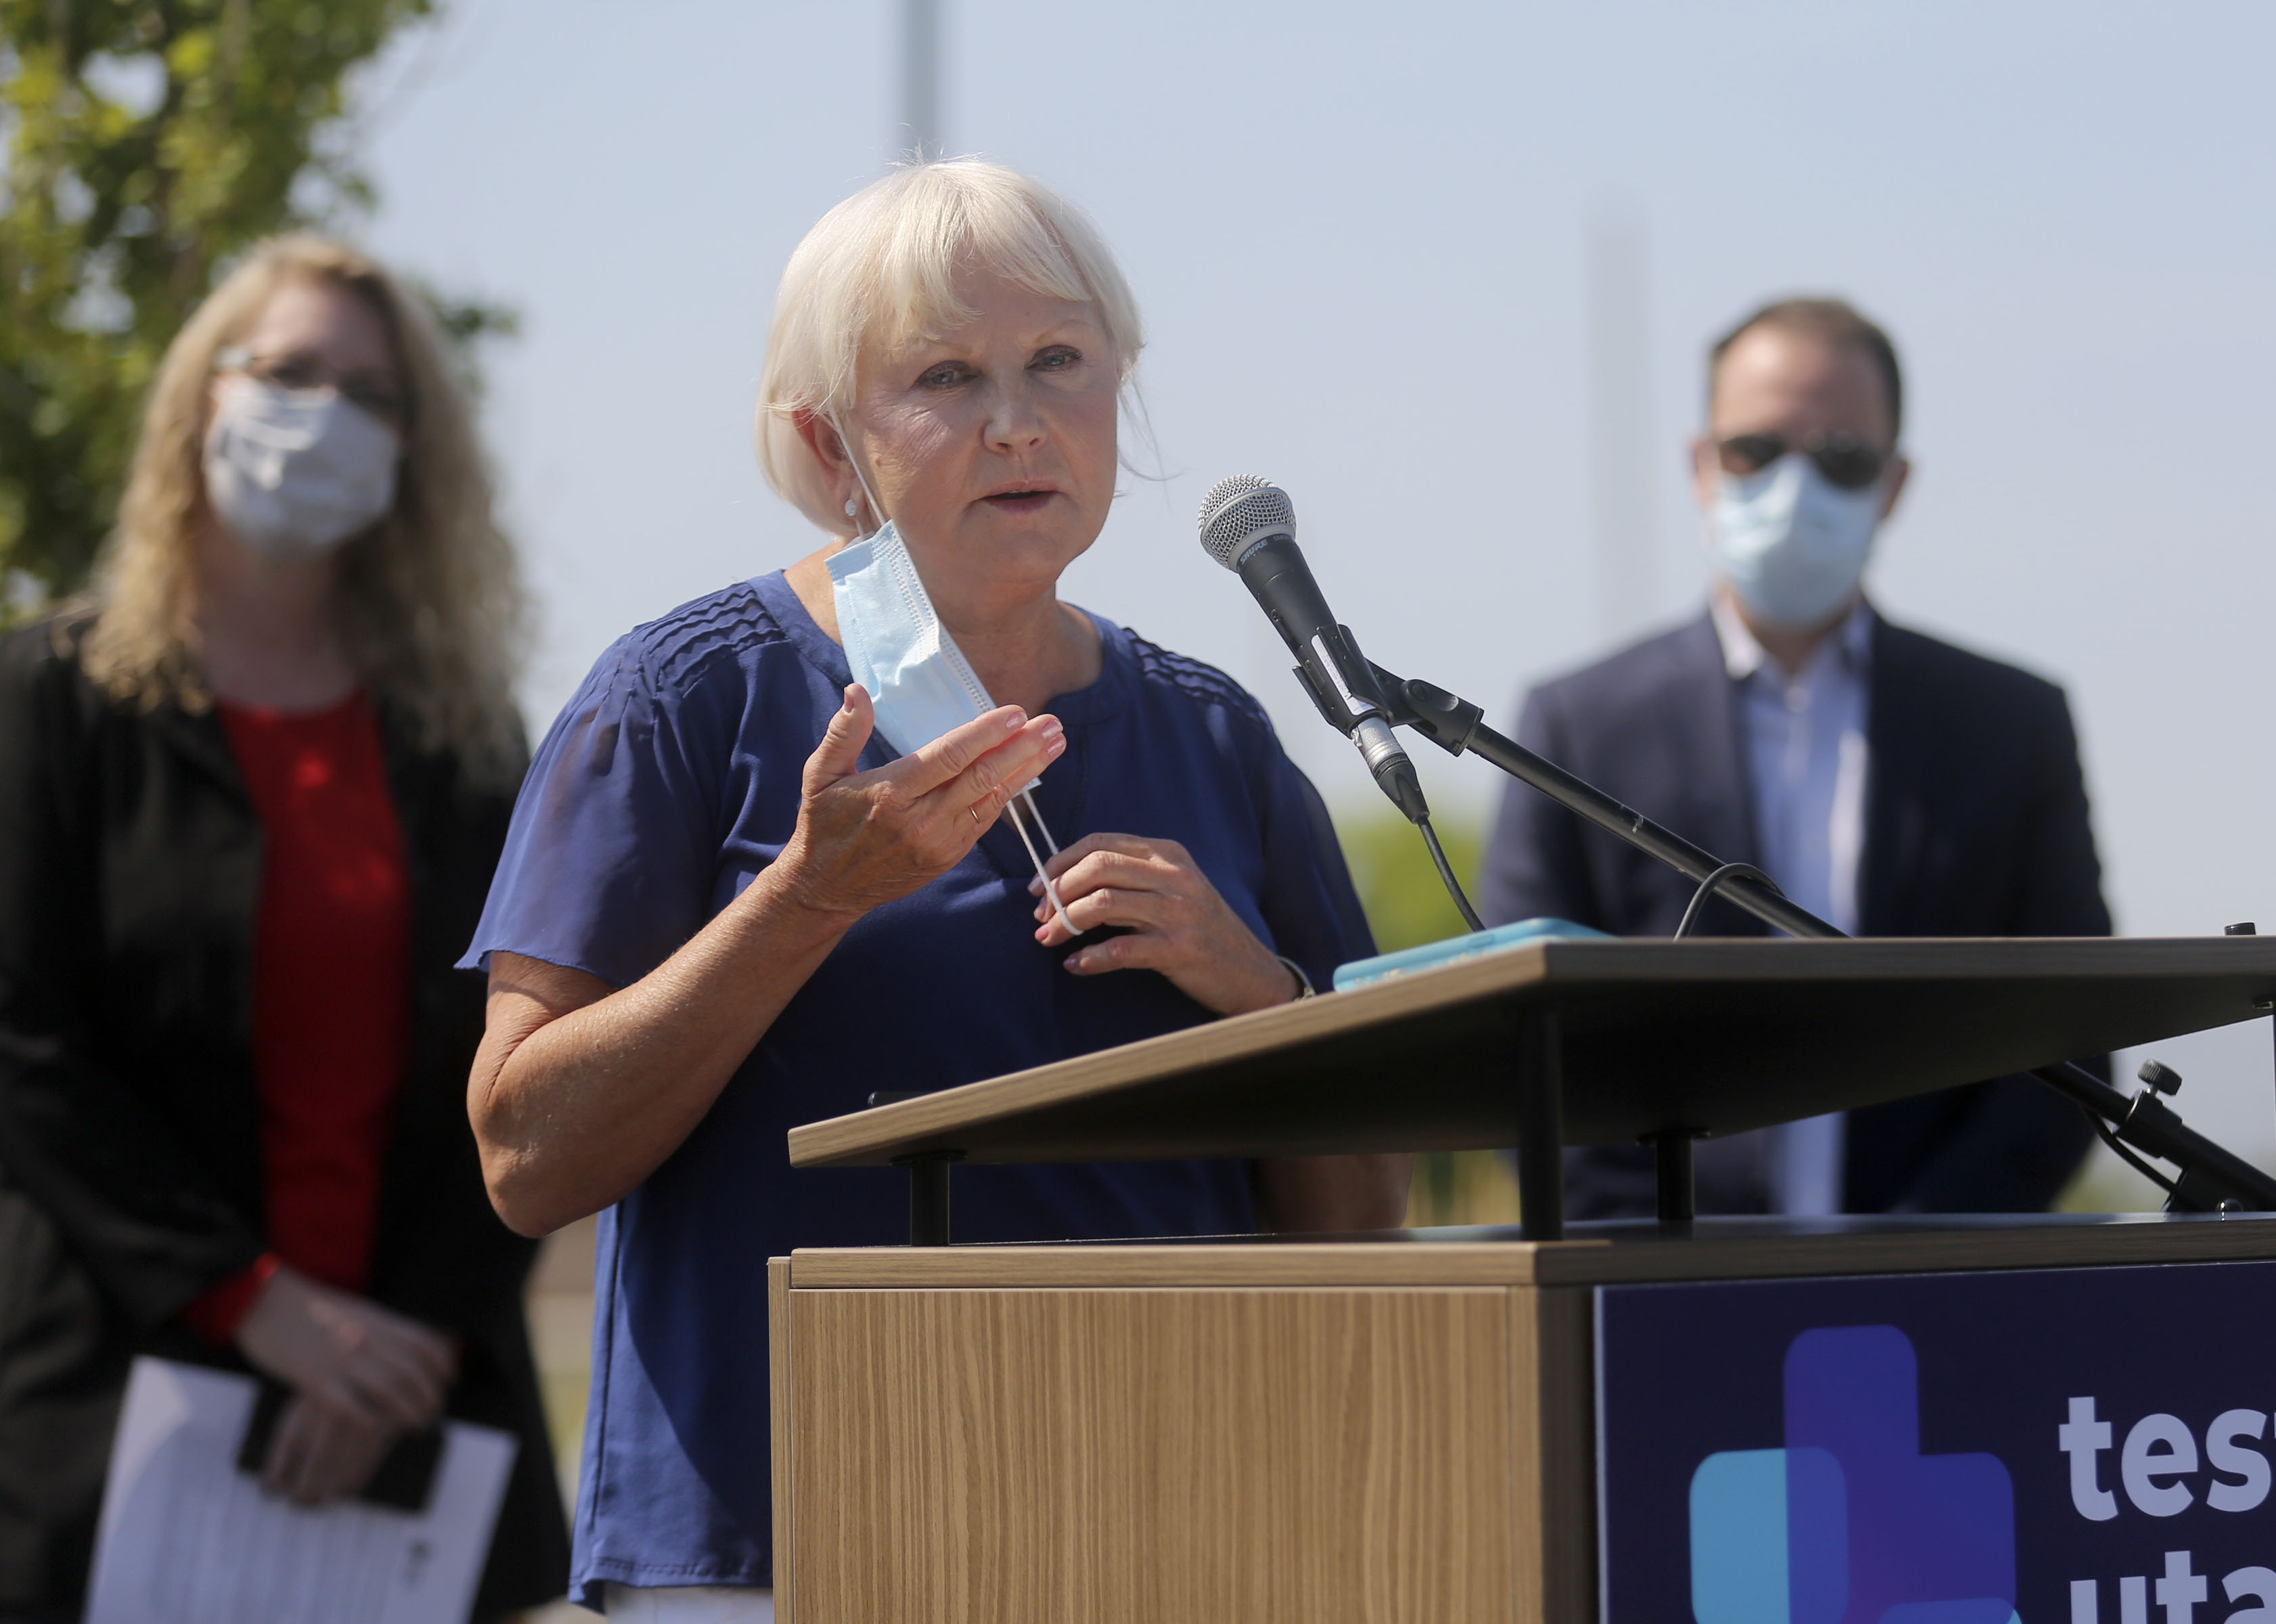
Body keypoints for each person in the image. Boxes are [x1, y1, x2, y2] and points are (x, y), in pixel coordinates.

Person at [462, 158, 1402, 1619]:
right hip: (782, 1547)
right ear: (828, 443)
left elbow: (1356, 1227)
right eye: (945, 376)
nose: (1016, 420)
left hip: (1162, 1529)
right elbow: (524, 1159)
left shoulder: (1215, 732)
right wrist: (800, 905)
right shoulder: (681, 702)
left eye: (1057, 364)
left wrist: (1259, 995)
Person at [0, 238, 566, 1620]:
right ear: (204, 396)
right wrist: (252, 1303)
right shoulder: (50, 701)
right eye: (292, 371)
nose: (325, 414)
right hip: (112, 1417)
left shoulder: (471, 744)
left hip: (420, 1428)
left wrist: (405, 1348)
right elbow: (23, 1049)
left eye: (371, 394)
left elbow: (538, 1052)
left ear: (412, 452)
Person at [1479, 295, 2107, 1220]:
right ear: (1701, 465)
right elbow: (1520, 1045)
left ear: (1893, 485)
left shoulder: (2010, 725)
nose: (1792, 488)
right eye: (1755, 451)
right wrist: (1677, 1260)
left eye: (1841, 458)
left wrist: (1915, 1256)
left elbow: (2071, 1039)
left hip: (1943, 1295)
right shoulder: (1573, 728)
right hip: (1657, 1301)